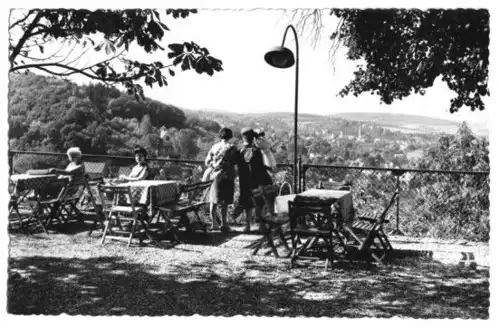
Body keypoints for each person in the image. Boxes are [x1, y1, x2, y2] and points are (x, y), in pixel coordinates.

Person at [237, 128, 274, 233]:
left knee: (247, 204)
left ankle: (247, 226)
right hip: (256, 180)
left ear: (243, 137)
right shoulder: (256, 150)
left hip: (244, 180)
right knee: (259, 203)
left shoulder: (239, 150)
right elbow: (261, 167)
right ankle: (261, 226)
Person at [205, 127, 240, 232]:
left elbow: (207, 162)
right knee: (224, 202)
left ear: (220, 135)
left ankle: (213, 224)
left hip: (214, 176)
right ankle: (224, 225)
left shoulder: (214, 146)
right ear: (230, 136)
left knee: (213, 200)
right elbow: (235, 162)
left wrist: (214, 166)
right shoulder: (232, 147)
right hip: (226, 176)